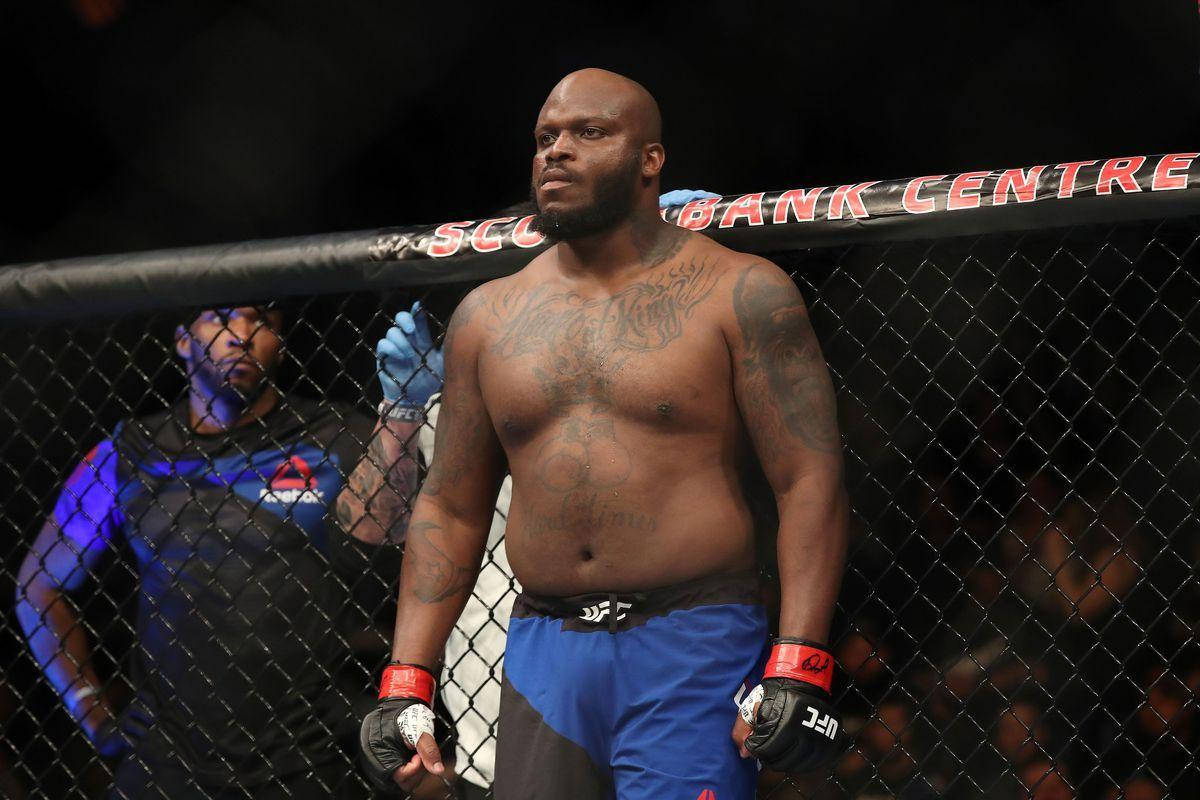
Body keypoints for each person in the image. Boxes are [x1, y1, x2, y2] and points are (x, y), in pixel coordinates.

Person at [360, 68, 850, 800]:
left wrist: (800, 659)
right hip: (543, 647)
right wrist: (407, 681)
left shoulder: (738, 292)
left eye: (589, 133)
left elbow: (809, 478)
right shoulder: (488, 318)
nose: (556, 151)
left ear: (651, 160)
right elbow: (450, 507)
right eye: (545, 138)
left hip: (692, 636)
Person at [14, 301, 441, 799]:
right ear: (182, 338)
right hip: (164, 762)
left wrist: (403, 416)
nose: (241, 334)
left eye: (259, 320)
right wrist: (91, 710)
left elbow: (387, 542)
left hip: (305, 755)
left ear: (279, 344)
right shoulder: (131, 451)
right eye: (220, 318)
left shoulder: (333, 436)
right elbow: (38, 585)